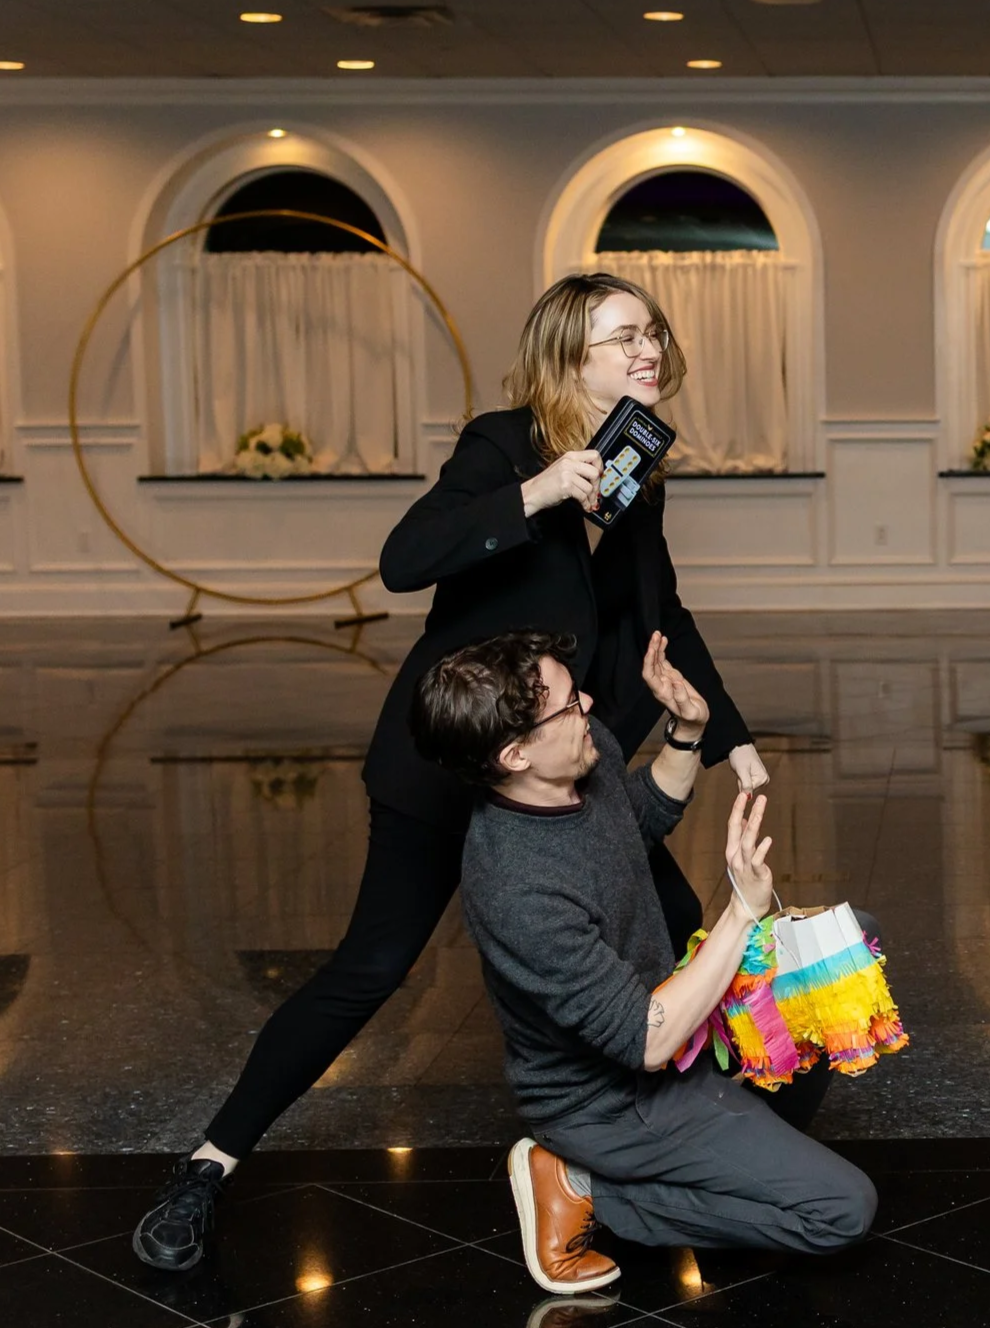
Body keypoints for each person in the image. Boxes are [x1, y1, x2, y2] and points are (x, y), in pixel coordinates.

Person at [132, 273, 771, 1272]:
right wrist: (537, 492)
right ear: (569, 357)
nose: (647, 348)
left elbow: (665, 612)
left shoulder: (639, 460)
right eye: (621, 337)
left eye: (651, 331)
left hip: (564, 762)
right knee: (372, 967)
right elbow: (404, 558)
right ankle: (209, 1164)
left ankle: (656, 1152)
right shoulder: (501, 444)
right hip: (450, 759)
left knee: (677, 918)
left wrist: (729, 736)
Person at [412, 628, 876, 1290]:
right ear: (514, 754)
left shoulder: (580, 750)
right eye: (568, 705)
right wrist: (741, 913)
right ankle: (584, 1186)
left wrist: (686, 733)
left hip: (672, 1023)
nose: (588, 705)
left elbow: (630, 821)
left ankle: (740, 1150)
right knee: (840, 1211)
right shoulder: (516, 887)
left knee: (837, 946)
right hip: (613, 1101)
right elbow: (646, 1042)